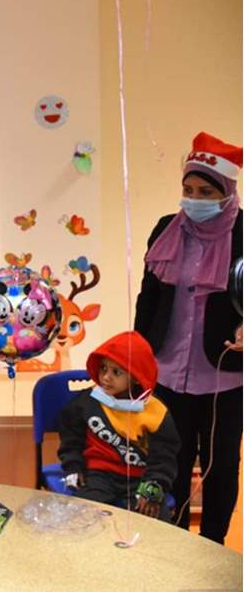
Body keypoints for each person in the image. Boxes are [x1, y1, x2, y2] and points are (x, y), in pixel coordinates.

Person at [135, 131, 243, 542]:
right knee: (169, 464)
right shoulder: (167, 229)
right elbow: (148, 299)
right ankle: (174, 545)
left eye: (205, 191)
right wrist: (137, 358)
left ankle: (213, 547)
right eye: (188, 189)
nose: (194, 199)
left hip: (225, 377)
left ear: (226, 191)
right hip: (168, 373)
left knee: (220, 469)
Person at [58, 331, 180, 519]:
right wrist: (73, 466)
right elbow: (71, 440)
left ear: (136, 376)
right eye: (103, 368)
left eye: (116, 372)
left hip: (140, 478)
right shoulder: (87, 401)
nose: (106, 377)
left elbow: (164, 458)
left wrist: (153, 486)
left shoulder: (155, 411)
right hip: (98, 475)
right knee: (82, 516)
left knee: (156, 521)